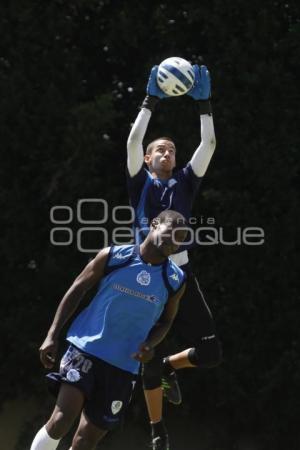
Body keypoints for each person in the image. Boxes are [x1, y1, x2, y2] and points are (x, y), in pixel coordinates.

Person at [29, 210, 188, 450]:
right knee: (61, 420)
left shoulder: (174, 279)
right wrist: (52, 334)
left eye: (179, 239)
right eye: (170, 233)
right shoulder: (114, 256)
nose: (173, 241)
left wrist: (150, 345)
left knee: (86, 440)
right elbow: (77, 289)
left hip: (123, 368)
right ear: (155, 224)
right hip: (86, 349)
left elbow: (166, 321)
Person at [126, 64, 223, 450]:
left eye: (171, 149)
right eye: (159, 149)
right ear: (148, 159)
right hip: (146, 275)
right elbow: (133, 140)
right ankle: (157, 430)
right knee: (145, 354)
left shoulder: (185, 180)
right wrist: (150, 101)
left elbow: (210, 145)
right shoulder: (140, 183)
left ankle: (170, 367)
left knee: (211, 353)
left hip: (180, 276)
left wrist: (204, 105)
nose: (167, 152)